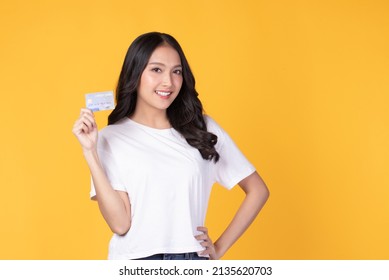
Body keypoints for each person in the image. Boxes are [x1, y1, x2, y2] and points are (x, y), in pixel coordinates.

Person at [72, 32, 269, 260]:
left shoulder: (202, 129)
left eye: (176, 71)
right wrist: (90, 151)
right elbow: (120, 224)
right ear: (135, 74)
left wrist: (219, 247)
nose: (169, 82)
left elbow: (258, 190)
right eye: (156, 70)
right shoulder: (111, 138)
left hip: (190, 259)